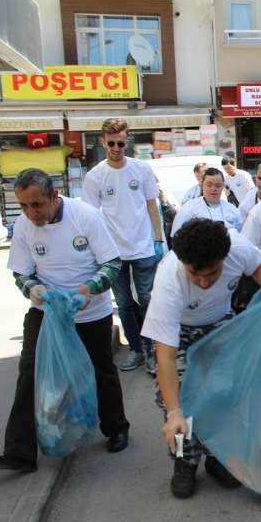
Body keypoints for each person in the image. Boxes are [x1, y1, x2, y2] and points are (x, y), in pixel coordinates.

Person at [0, 168, 130, 473]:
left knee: (101, 369)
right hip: (47, 312)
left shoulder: (86, 216)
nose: (31, 212)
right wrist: (32, 289)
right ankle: (19, 453)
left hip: (89, 311)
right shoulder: (24, 226)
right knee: (30, 375)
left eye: (37, 204)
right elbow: (21, 273)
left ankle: (116, 427)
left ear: (54, 196)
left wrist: (88, 290)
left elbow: (111, 264)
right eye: (23, 205)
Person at [141, 219, 261, 498]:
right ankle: (184, 461)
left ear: (224, 258)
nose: (203, 282)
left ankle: (217, 456)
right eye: (194, 274)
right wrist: (174, 411)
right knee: (178, 403)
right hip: (181, 332)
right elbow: (164, 356)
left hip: (219, 325)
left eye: (212, 273)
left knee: (222, 394)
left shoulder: (238, 248)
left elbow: (259, 265)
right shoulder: (169, 279)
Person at [82, 118, 164, 373]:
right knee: (125, 303)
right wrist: (94, 250)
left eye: (120, 142)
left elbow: (152, 204)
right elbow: (90, 215)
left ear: (126, 141)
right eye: (111, 143)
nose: (116, 148)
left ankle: (153, 352)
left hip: (143, 247)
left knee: (148, 299)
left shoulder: (142, 169)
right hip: (113, 252)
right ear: (103, 142)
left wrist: (159, 239)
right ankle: (137, 350)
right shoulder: (95, 176)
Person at [171, 167, 244, 235]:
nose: (213, 189)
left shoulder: (233, 210)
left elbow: (241, 235)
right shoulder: (189, 207)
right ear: (202, 184)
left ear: (223, 186)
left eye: (218, 185)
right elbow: (176, 234)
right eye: (209, 185)